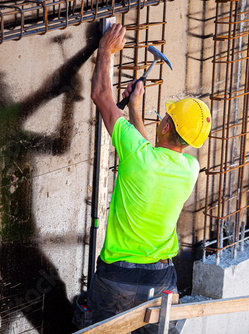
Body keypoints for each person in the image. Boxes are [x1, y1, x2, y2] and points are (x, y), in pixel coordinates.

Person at [79, 23, 212, 331]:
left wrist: (105, 52)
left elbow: (100, 95)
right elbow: (150, 156)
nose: (162, 118)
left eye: (165, 116)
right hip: (161, 281)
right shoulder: (189, 169)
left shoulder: (138, 155)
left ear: (165, 126)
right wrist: (135, 110)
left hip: (116, 281)